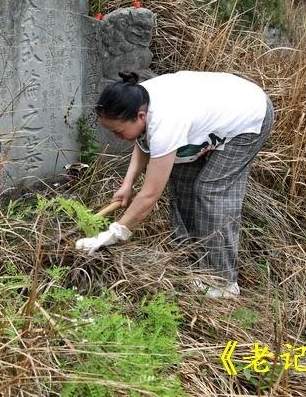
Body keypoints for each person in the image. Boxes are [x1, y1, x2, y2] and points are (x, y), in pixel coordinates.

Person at [74, 70, 275, 299]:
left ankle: (223, 283)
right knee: (181, 180)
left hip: (248, 115)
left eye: (118, 131)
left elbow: (149, 196)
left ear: (140, 116)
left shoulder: (166, 121)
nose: (116, 137)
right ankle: (192, 260)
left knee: (211, 190)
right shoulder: (136, 98)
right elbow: (145, 141)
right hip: (213, 110)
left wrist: (112, 234)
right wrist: (128, 183)